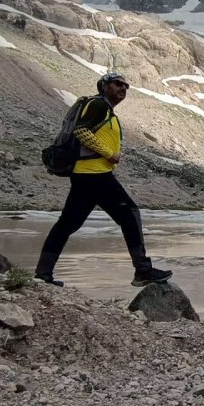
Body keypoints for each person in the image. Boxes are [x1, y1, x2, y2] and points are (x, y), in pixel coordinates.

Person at [34, 72, 173, 287]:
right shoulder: (99, 106)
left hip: (85, 176)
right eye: (118, 84)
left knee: (66, 224)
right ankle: (143, 270)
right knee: (130, 213)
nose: (123, 88)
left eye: (126, 86)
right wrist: (109, 153)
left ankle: (43, 274)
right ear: (104, 86)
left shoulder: (105, 109)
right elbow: (81, 131)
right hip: (95, 174)